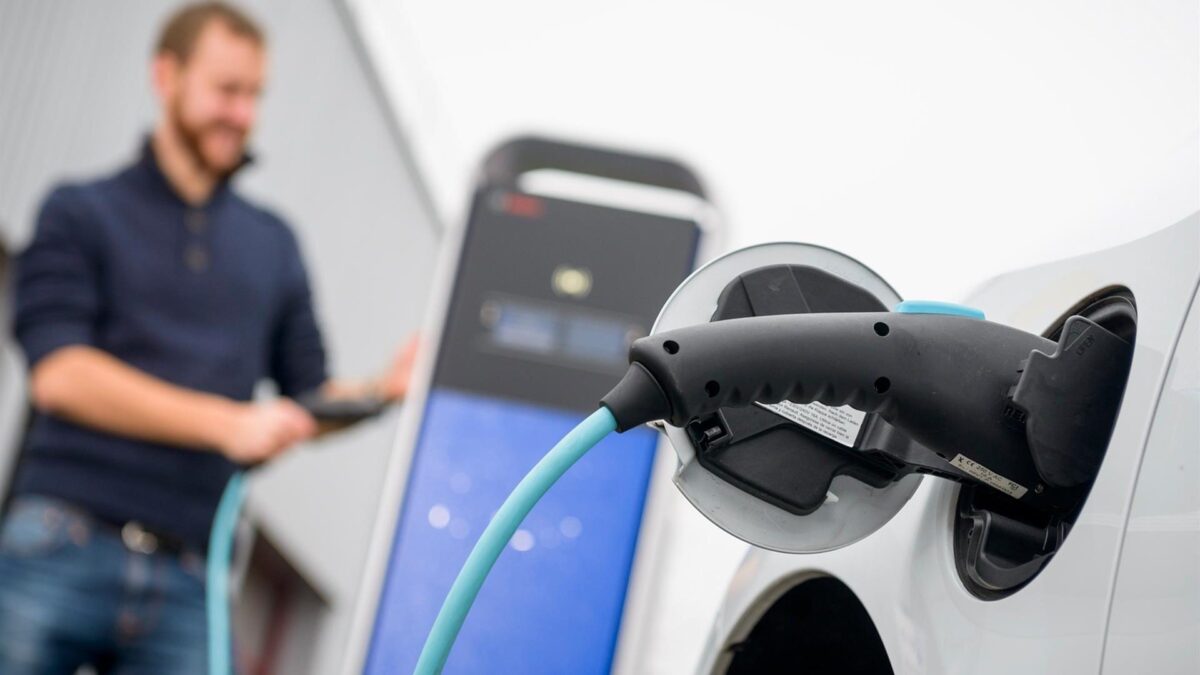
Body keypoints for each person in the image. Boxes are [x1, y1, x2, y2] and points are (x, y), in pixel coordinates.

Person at [0, 3, 415, 672]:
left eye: (255, 95)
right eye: (227, 90)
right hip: (59, 541)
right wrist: (227, 424)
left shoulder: (273, 245)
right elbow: (61, 375)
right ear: (166, 76)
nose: (243, 114)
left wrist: (382, 390)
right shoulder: (79, 211)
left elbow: (308, 398)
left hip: (191, 575)